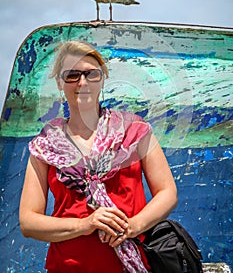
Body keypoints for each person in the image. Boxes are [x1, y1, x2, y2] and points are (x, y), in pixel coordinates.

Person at [19, 40, 178, 273]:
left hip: (131, 265)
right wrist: (85, 224)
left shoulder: (134, 130)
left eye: (91, 74)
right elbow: (28, 221)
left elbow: (167, 193)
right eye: (72, 75)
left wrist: (132, 226)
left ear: (102, 80)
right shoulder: (45, 146)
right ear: (59, 83)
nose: (82, 82)